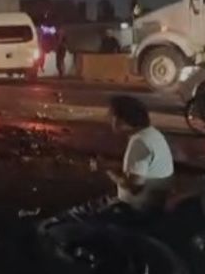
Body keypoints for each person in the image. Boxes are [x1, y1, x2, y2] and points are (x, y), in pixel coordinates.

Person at [40, 96, 174, 234]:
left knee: (61, 225)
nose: (110, 121)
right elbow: (140, 174)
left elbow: (134, 187)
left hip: (135, 210)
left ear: (122, 119)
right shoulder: (151, 134)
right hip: (148, 205)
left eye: (112, 116)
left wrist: (107, 169)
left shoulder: (139, 143)